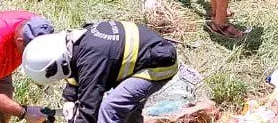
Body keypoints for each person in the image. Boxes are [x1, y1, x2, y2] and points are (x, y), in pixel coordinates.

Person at [22, 20, 178, 123]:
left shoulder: (92, 60)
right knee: (126, 109)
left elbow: (89, 110)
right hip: (142, 59)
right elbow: (75, 73)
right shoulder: (75, 43)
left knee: (110, 107)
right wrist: (69, 99)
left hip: (157, 65)